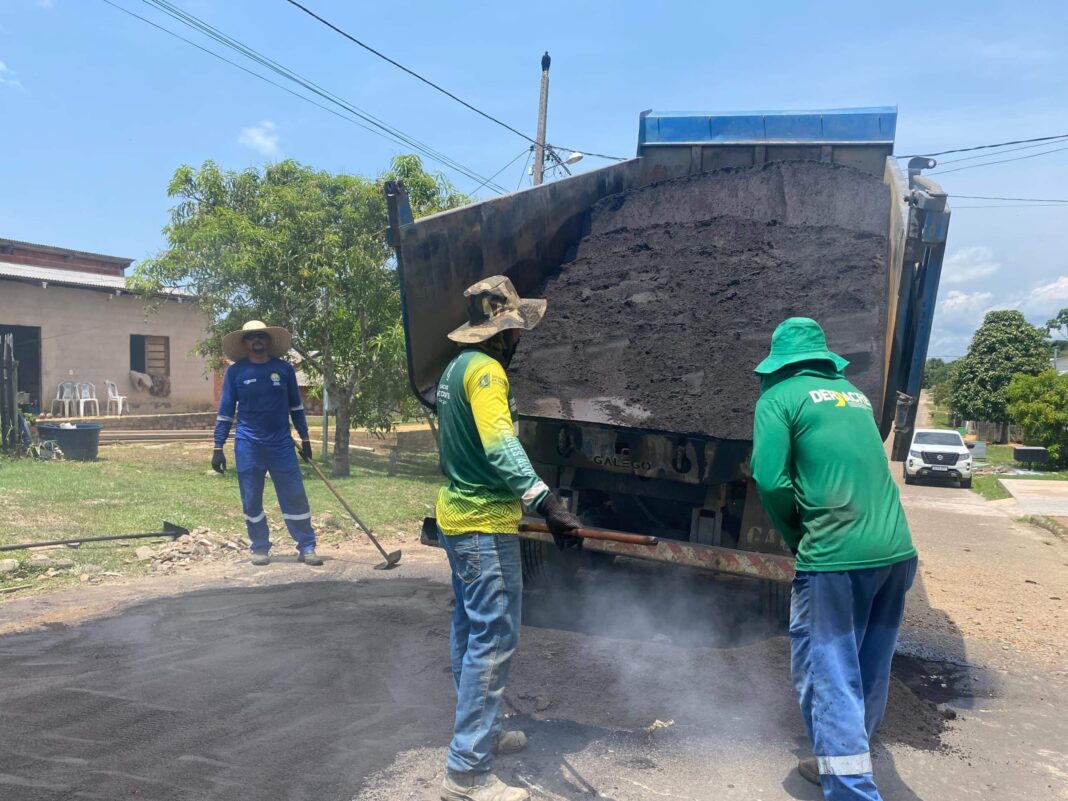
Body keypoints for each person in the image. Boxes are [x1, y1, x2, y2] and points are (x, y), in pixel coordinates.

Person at [750, 317, 918, 801]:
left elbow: (770, 479)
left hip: (836, 558)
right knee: (867, 671)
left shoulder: (778, 399)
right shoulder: (856, 397)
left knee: (828, 677)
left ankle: (850, 789)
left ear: (778, 364)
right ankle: (839, 764)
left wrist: (795, 534)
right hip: (896, 554)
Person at [435, 276, 581, 801]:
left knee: (470, 635)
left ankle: (481, 735)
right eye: (518, 330)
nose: (520, 339)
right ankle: (468, 769)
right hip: (484, 522)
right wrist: (548, 502)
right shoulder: (488, 374)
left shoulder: (455, 369)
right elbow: (500, 445)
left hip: (457, 515)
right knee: (494, 639)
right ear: (506, 330)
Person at [212, 320, 322, 567]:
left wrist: (305, 438)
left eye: (261, 336)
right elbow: (226, 411)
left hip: (281, 444)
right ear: (244, 343)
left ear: (269, 341)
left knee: (294, 495)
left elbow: (296, 406)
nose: (257, 340)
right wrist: (218, 447)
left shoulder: (283, 370)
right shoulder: (236, 372)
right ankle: (260, 547)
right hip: (248, 444)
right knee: (251, 498)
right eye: (251, 337)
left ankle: (307, 546)